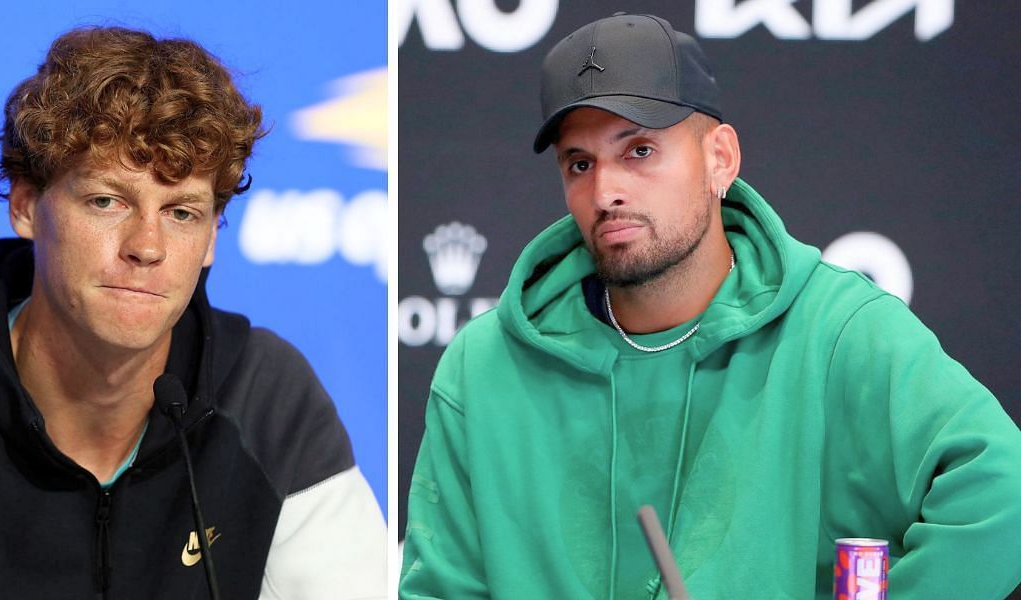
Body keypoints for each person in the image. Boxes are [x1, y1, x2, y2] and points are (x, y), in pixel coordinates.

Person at [399, 13, 1021, 599]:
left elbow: (1004, 494)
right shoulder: (481, 370)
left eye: (639, 151)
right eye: (579, 163)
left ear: (719, 157)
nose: (605, 190)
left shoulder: (839, 332)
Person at [0, 27, 385, 599]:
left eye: (182, 213)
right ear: (25, 206)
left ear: (213, 236)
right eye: (106, 201)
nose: (146, 245)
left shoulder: (268, 399)